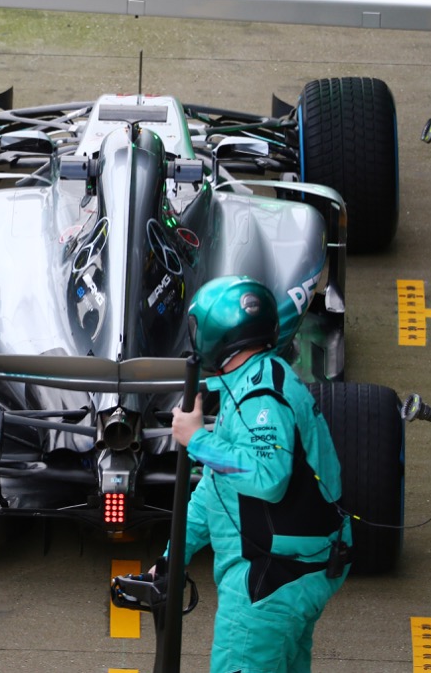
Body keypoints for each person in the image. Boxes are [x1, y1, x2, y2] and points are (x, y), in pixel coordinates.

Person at [155, 275, 351, 673]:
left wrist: (197, 440)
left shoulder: (261, 397)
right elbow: (216, 488)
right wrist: (174, 555)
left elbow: (268, 478)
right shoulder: (249, 384)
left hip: (270, 581)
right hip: (288, 572)